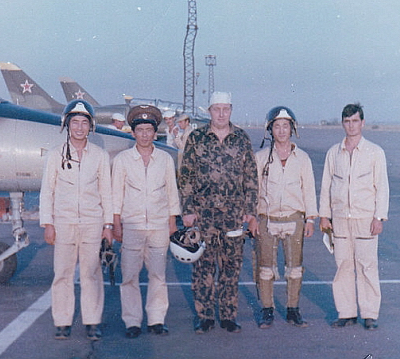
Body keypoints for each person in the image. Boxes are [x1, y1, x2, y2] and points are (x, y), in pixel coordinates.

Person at [178, 91, 258, 334]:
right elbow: (186, 175)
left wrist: (251, 211)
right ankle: (204, 317)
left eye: (225, 109)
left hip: (233, 216)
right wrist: (188, 210)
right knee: (203, 269)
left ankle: (228, 316)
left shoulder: (241, 139)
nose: (221, 114)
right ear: (209, 111)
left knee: (230, 268)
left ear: (231, 110)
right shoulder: (197, 138)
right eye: (216, 109)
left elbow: (251, 177)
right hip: (203, 216)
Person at [39, 99, 113, 341]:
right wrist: (48, 224)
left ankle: (92, 322)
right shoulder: (55, 155)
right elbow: (47, 191)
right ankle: (62, 321)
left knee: (91, 273)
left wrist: (108, 225)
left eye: (84, 123)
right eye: (75, 122)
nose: (79, 128)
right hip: (63, 223)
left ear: (90, 126)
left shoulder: (100, 156)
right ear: (66, 125)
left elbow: (106, 192)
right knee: (62, 273)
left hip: (92, 223)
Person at [112, 105, 181, 339]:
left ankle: (156, 320)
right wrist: (116, 223)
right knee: (129, 276)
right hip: (131, 226)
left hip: (159, 226)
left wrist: (173, 222)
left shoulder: (164, 159)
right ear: (133, 133)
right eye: (140, 130)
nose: (144, 134)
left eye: (148, 130)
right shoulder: (123, 160)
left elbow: (172, 192)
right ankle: (132, 321)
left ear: (155, 133)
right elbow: (116, 194)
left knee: (158, 275)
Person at [319, 103, 389, 331]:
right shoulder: (333, 153)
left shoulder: (375, 152)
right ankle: (346, 313)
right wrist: (324, 216)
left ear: (362, 123)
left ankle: (369, 314)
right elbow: (327, 186)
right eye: (347, 121)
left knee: (367, 266)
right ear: (342, 123)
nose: (351, 126)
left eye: (355, 121)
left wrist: (379, 217)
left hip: (365, 219)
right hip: (340, 220)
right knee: (343, 266)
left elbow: (382, 187)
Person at [254, 106, 318, 329]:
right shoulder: (261, 158)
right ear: (270, 130)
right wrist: (253, 218)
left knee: (295, 268)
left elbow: (308, 189)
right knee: (265, 268)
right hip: (268, 219)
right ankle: (267, 309)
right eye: (277, 126)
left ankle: (293, 309)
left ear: (292, 129)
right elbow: (255, 190)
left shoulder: (302, 158)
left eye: (285, 126)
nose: (281, 131)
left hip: (294, 219)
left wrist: (310, 219)